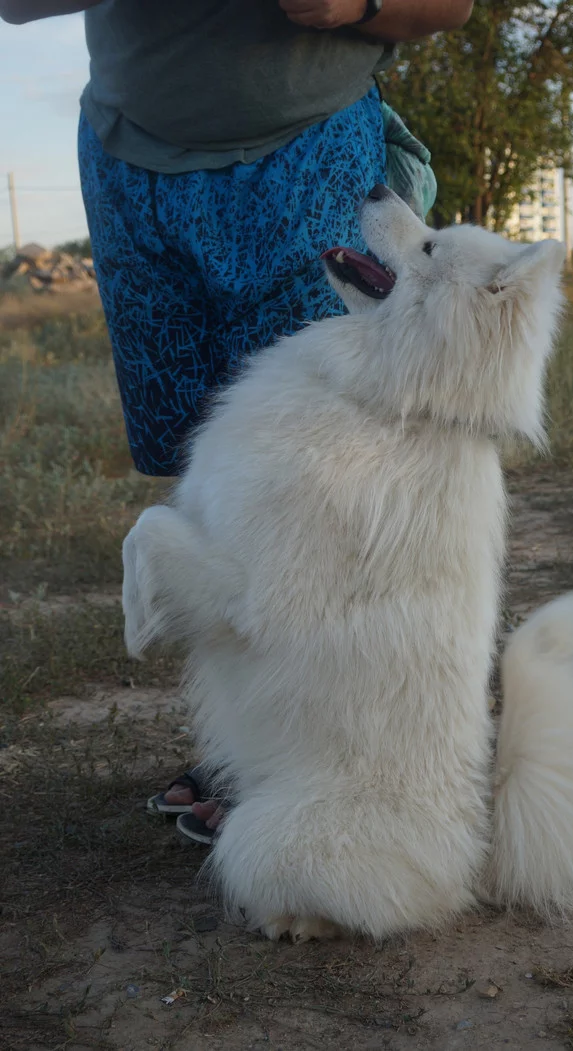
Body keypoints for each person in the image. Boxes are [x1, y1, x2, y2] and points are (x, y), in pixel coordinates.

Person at [2, 0, 474, 842]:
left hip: (309, 149)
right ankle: (247, 750)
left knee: (327, 482)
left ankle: (351, 766)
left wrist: (358, 5)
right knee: (210, 480)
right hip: (129, 162)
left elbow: (447, 6)